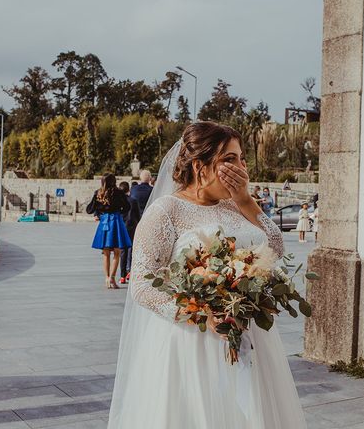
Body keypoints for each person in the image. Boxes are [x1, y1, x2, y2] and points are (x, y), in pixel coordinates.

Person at [108, 121, 306, 428]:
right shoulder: (166, 211)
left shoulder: (237, 205)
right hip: (193, 343)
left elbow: (276, 248)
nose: (241, 168)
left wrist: (244, 199)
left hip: (251, 338)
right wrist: (200, 314)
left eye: (242, 159)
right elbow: (142, 285)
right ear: (201, 167)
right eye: (229, 159)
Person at [87, 174, 132, 289]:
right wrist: (119, 211)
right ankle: (112, 278)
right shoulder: (119, 193)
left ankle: (106, 277)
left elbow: (89, 209)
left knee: (106, 253)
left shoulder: (98, 193)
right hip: (116, 221)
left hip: (104, 221)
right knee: (117, 252)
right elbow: (127, 207)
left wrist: (99, 211)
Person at [118, 181, 141, 284]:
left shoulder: (118, 201)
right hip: (132, 227)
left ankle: (122, 276)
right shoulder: (133, 201)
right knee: (131, 249)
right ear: (129, 189)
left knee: (123, 251)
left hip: (122, 227)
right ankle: (129, 271)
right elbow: (138, 215)